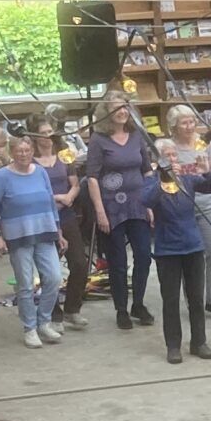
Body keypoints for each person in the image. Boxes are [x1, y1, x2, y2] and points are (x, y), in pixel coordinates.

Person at [83, 92, 162, 326]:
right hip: (111, 207)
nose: (122, 112)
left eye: (125, 107)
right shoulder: (98, 139)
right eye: (117, 108)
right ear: (106, 112)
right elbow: (92, 177)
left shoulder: (137, 136)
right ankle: (121, 310)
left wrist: (151, 201)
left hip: (138, 204)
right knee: (117, 261)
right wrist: (99, 211)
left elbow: (147, 170)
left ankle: (138, 304)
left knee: (144, 256)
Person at [142, 136, 211, 364]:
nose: (173, 158)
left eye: (174, 154)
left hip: (193, 246)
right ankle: (173, 345)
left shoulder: (187, 179)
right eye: (167, 156)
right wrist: (162, 179)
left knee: (196, 297)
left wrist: (207, 171)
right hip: (168, 250)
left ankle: (199, 342)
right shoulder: (151, 181)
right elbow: (146, 200)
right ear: (158, 160)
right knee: (171, 300)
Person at [0, 133, 66, 349]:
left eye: (27, 150)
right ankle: (29, 328)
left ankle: (44, 322)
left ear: (32, 151)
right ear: (11, 152)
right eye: (19, 151)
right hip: (18, 236)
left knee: (54, 278)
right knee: (25, 284)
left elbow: (50, 202)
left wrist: (58, 231)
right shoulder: (2, 177)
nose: (23, 154)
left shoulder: (40, 172)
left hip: (45, 232)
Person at [166, 105, 211, 320]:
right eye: (184, 123)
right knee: (190, 257)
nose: (190, 126)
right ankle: (194, 302)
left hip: (207, 204)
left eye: (192, 121)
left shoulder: (202, 143)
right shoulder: (168, 147)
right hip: (181, 209)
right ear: (174, 126)